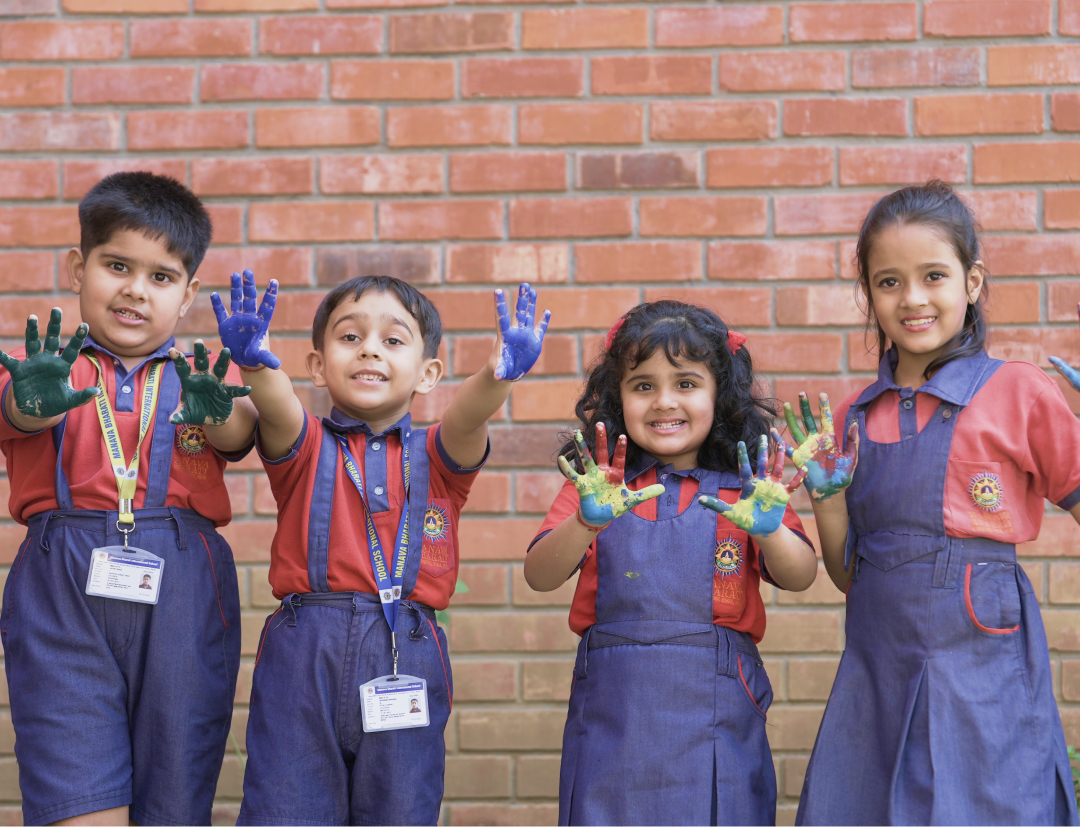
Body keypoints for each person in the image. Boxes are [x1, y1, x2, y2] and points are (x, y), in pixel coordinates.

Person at [780, 181, 1080, 826]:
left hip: (982, 658)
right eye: (889, 282)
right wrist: (825, 497)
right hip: (876, 657)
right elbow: (844, 572)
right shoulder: (852, 421)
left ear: (971, 282)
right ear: (868, 294)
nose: (912, 299)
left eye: (933, 276)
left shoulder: (1020, 393)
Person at [221, 273, 550, 826]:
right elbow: (275, 407)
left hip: (408, 645)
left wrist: (498, 378)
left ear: (428, 374)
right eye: (350, 337)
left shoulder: (440, 454)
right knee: (286, 806)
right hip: (307, 651)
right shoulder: (302, 445)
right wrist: (255, 366)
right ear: (318, 366)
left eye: (393, 340)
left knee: (400, 809)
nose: (370, 348)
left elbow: (469, 415)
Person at [0, 171, 256, 826]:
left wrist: (219, 408)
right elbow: (16, 412)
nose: (136, 289)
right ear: (77, 266)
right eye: (117, 264)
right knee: (77, 797)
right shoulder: (47, 369)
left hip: (185, 586)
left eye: (161, 276)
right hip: (63, 588)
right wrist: (31, 402)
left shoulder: (201, 376)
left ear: (189, 292)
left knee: (174, 800)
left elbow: (242, 431)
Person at [525, 300, 818, 826]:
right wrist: (586, 522)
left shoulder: (750, 492)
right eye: (643, 386)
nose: (664, 402)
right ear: (617, 398)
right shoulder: (599, 487)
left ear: (720, 396)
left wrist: (770, 531)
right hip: (617, 711)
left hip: (717, 708)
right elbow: (539, 575)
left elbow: (799, 576)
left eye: (686, 384)